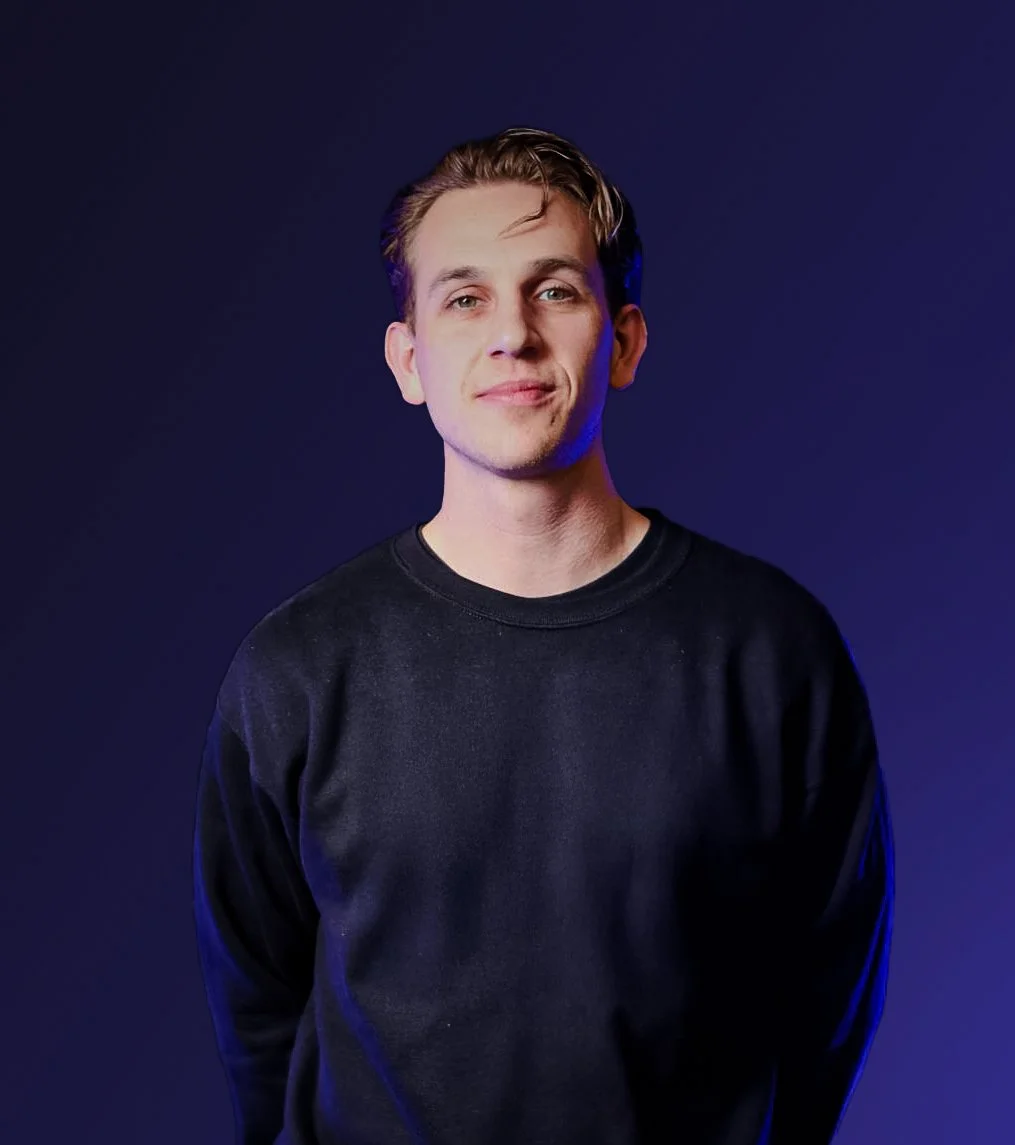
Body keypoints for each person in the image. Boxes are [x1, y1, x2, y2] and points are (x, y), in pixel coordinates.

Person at [192, 125, 894, 1145]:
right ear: (408, 359)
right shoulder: (299, 666)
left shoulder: (771, 649)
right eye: (464, 297)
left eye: (556, 289)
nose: (511, 333)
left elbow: (828, 992)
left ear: (627, 339)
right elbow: (258, 1007)